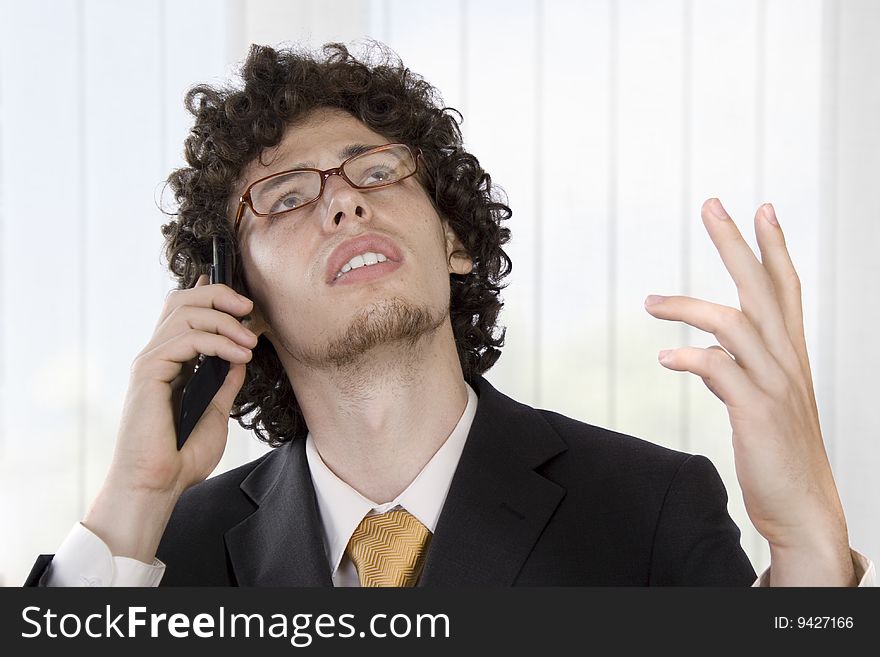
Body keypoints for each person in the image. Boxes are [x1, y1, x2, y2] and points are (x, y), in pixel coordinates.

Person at [27, 42, 873, 587]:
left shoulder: (649, 506)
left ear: (456, 240)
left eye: (377, 171)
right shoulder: (167, 554)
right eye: (286, 198)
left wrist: (806, 546)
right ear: (237, 300)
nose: (344, 205)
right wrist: (133, 501)